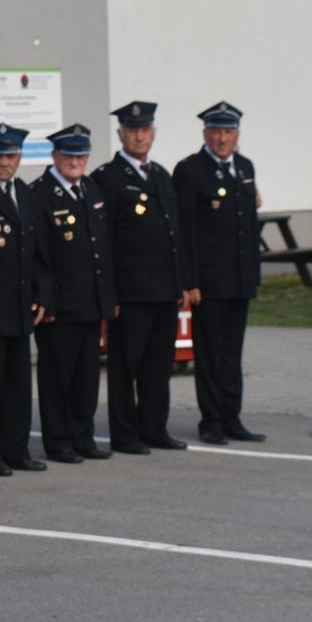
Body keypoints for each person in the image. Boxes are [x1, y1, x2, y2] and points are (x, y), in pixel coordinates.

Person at [94, 101, 190, 453]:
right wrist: (111, 294)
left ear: (153, 134)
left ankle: (154, 428)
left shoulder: (161, 175)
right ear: (121, 134)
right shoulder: (108, 178)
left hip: (164, 291)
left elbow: (174, 236)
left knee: (157, 367)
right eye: (132, 130)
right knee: (125, 368)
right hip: (130, 293)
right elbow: (103, 242)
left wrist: (180, 283)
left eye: (145, 130)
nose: (139, 136)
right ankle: (124, 433)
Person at [173, 101, 265, 444]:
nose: (222, 138)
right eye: (216, 131)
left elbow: (249, 229)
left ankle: (232, 417)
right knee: (210, 355)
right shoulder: (190, 170)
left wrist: (253, 276)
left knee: (232, 354)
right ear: (205, 134)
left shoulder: (244, 167)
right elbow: (185, 231)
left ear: (237, 135)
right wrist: (189, 280)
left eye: (228, 132)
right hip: (208, 283)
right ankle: (211, 421)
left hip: (239, 279)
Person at [0, 123, 48, 477]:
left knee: (18, 384)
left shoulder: (26, 194)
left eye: (12, 155)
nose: (6, 161)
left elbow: (39, 252)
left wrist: (43, 293)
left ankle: (17, 450)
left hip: (20, 306)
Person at [32, 124, 114, 464]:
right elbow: (39, 254)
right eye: (69, 155)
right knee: (57, 378)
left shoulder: (91, 188)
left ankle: (83, 436)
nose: (75, 161)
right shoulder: (41, 193)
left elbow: (103, 250)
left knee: (86, 378)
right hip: (59, 307)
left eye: (81, 155)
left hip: (90, 303)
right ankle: (58, 441)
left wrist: (108, 299)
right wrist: (45, 300)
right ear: (55, 155)